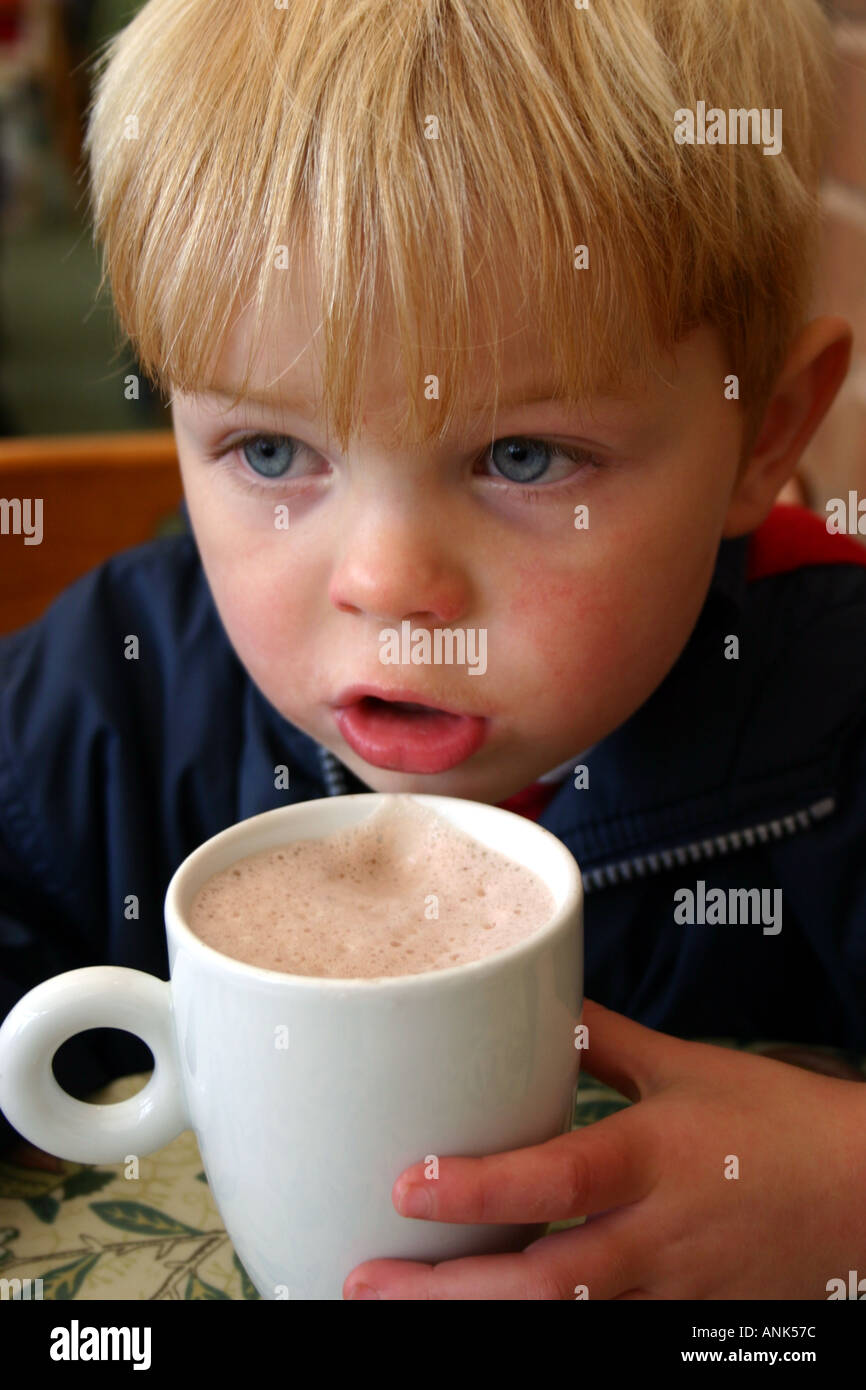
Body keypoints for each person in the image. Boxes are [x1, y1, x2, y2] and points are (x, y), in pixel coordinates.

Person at [2, 0, 866, 1298]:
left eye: (522, 457)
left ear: (764, 435)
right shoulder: (115, 691)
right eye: (272, 452)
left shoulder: (833, 694)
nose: (386, 584)